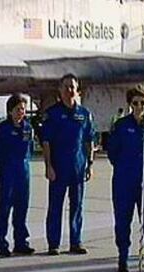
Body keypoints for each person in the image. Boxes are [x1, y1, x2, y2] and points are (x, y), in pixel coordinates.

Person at [107, 85, 144, 272]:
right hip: (124, 179)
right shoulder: (121, 126)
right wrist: (125, 167)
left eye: (142, 103)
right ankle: (123, 257)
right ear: (130, 104)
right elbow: (113, 152)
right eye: (135, 103)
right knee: (123, 220)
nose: (139, 106)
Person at [41, 74, 95, 255]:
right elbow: (46, 141)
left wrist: (90, 163)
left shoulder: (84, 114)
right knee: (55, 206)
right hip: (58, 167)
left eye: (72, 87)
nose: (69, 90)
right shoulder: (52, 114)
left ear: (77, 90)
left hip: (78, 167)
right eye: (65, 87)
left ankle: (75, 241)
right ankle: (53, 243)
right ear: (59, 89)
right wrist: (48, 166)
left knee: (77, 205)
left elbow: (88, 140)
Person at [0, 94, 35, 257]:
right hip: (8, 171)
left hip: (23, 171)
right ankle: (1, 243)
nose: (21, 112)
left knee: (22, 208)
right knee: (4, 208)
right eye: (17, 109)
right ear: (10, 111)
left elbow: (30, 149)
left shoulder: (28, 128)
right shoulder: (2, 129)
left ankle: (21, 242)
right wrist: (4, 163)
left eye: (23, 109)